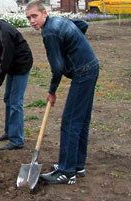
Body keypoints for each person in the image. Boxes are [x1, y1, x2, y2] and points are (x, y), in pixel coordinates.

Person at [26, 0, 99, 184]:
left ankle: (67, 171)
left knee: (70, 121)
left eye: (34, 16)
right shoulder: (58, 21)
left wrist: (52, 91)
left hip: (83, 72)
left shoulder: (49, 32)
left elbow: (57, 67)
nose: (31, 21)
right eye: (28, 18)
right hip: (91, 67)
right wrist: (73, 45)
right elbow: (83, 24)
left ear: (44, 13)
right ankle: (77, 165)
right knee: (81, 120)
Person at [0, 9, 33, 151]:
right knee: (8, 98)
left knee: (16, 102)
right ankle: (9, 132)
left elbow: (5, 62)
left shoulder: (5, 33)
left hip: (20, 65)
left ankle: (17, 140)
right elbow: (1, 59)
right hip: (10, 65)